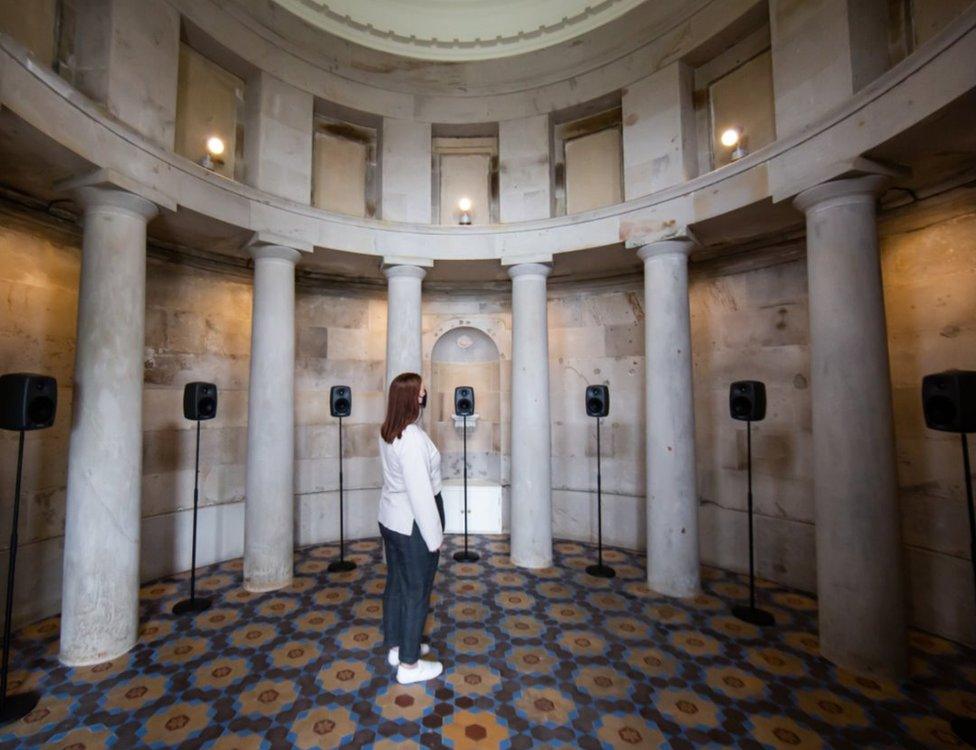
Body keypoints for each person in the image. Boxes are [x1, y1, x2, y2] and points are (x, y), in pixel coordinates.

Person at [378, 372, 445, 684]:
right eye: (421, 391)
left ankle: (397, 646)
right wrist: (434, 538)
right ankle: (409, 665)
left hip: (391, 518)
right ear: (412, 398)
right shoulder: (413, 438)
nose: (425, 394)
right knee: (417, 590)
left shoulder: (389, 430)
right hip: (412, 523)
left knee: (397, 584)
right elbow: (420, 495)